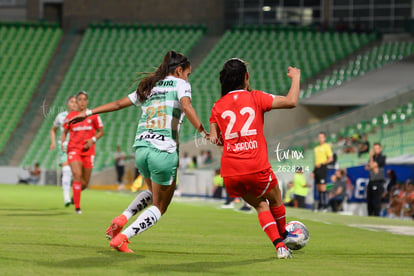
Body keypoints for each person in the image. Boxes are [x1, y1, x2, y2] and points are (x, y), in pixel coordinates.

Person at [68, 50, 208, 252]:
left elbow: (117, 104)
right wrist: (203, 131)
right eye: (188, 73)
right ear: (178, 71)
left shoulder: (150, 86)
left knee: (152, 193)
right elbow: (186, 107)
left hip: (141, 148)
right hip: (163, 149)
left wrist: (87, 113)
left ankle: (122, 218)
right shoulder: (181, 84)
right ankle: (123, 237)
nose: (188, 77)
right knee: (160, 206)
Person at [209, 58, 301, 259]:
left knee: (260, 205)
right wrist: (296, 77)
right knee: (275, 197)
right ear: (246, 77)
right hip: (256, 165)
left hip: (231, 172)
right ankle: (284, 235)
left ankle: (280, 246)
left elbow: (215, 138)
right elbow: (291, 101)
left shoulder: (217, 106)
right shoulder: (255, 97)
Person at [62, 91, 104, 214]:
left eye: (84, 99)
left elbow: (101, 131)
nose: (81, 102)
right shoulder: (70, 116)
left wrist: (93, 139)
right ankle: (77, 208)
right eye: (79, 99)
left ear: (87, 101)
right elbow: (64, 132)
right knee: (77, 175)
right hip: (74, 149)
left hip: (88, 151)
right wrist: (63, 143)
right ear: (76, 101)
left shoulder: (93, 115)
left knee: (84, 183)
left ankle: (75, 194)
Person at [50, 95, 77, 206]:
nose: (74, 104)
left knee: (78, 174)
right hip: (64, 146)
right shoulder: (61, 116)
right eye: (72, 101)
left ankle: (75, 195)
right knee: (67, 171)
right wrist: (52, 142)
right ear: (67, 103)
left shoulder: (82, 116)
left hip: (77, 147)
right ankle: (66, 198)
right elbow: (53, 130)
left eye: (76, 102)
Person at [313, 132, 333, 211]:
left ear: (324, 138)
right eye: (319, 137)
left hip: (322, 168)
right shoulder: (316, 148)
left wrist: (321, 164)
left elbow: (330, 158)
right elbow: (315, 160)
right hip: (317, 169)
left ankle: (325, 205)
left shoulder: (326, 146)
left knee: (323, 187)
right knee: (318, 187)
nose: (320, 139)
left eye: (322, 137)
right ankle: (320, 205)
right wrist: (313, 171)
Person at [364, 142, 386, 216]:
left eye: (377, 148)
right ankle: (370, 215)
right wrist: (371, 164)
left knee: (377, 200)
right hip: (371, 180)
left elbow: (373, 166)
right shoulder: (373, 158)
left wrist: (371, 159)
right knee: (369, 200)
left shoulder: (382, 157)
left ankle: (376, 216)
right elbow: (367, 167)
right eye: (374, 148)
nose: (375, 150)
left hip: (378, 181)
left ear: (380, 149)